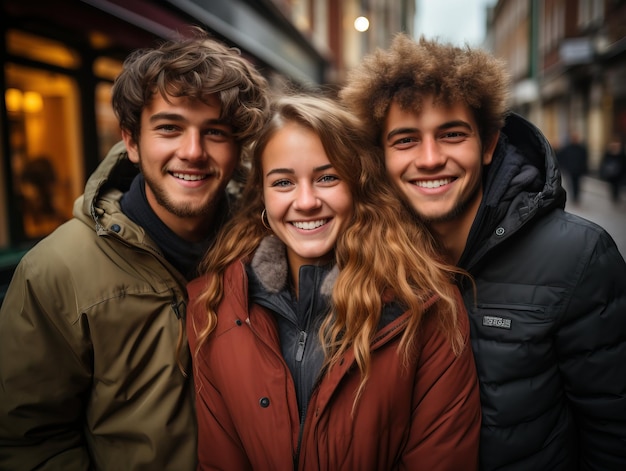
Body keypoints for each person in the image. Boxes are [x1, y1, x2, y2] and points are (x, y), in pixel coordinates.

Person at [340, 34, 626, 470]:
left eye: (452, 134)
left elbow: (612, 435)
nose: (431, 158)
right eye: (405, 140)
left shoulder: (579, 257)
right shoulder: (365, 256)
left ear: (488, 143)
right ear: (380, 154)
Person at [0, 29, 269, 470]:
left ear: (237, 147)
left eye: (215, 132)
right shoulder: (55, 271)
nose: (193, 152)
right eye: (169, 128)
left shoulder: (269, 252)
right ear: (131, 141)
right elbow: (29, 443)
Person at [186, 94, 481, 470]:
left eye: (327, 177)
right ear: (261, 194)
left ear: (359, 186)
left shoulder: (426, 306)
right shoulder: (212, 306)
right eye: (283, 182)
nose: (306, 201)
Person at [556, 132, 588, 204]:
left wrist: (584, 168)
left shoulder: (581, 149)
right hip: (570, 170)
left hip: (578, 170)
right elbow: (560, 157)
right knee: (571, 184)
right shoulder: (567, 148)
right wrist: (564, 166)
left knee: (577, 184)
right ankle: (574, 197)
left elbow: (584, 159)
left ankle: (576, 197)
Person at [599, 135, 626, 203]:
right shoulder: (608, 152)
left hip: (620, 174)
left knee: (618, 186)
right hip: (611, 173)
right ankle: (614, 197)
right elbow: (604, 162)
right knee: (612, 186)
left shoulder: (622, 153)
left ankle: (616, 197)